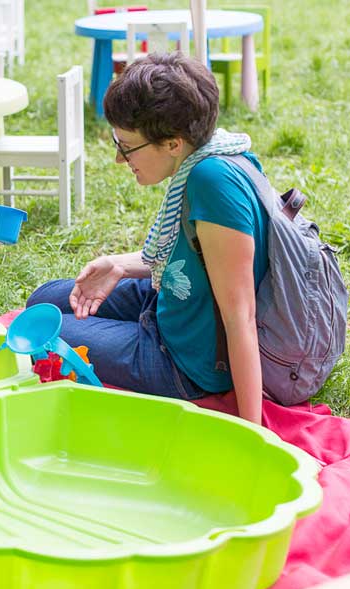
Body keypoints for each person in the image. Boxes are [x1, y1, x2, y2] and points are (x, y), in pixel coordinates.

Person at [26, 52, 269, 424]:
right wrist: (120, 266)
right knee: (42, 301)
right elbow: (197, 258)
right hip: (169, 304)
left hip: (183, 361)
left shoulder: (213, 183)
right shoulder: (209, 150)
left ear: (173, 143)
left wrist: (253, 430)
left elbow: (241, 316)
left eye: (126, 146)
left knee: (43, 333)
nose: (120, 160)